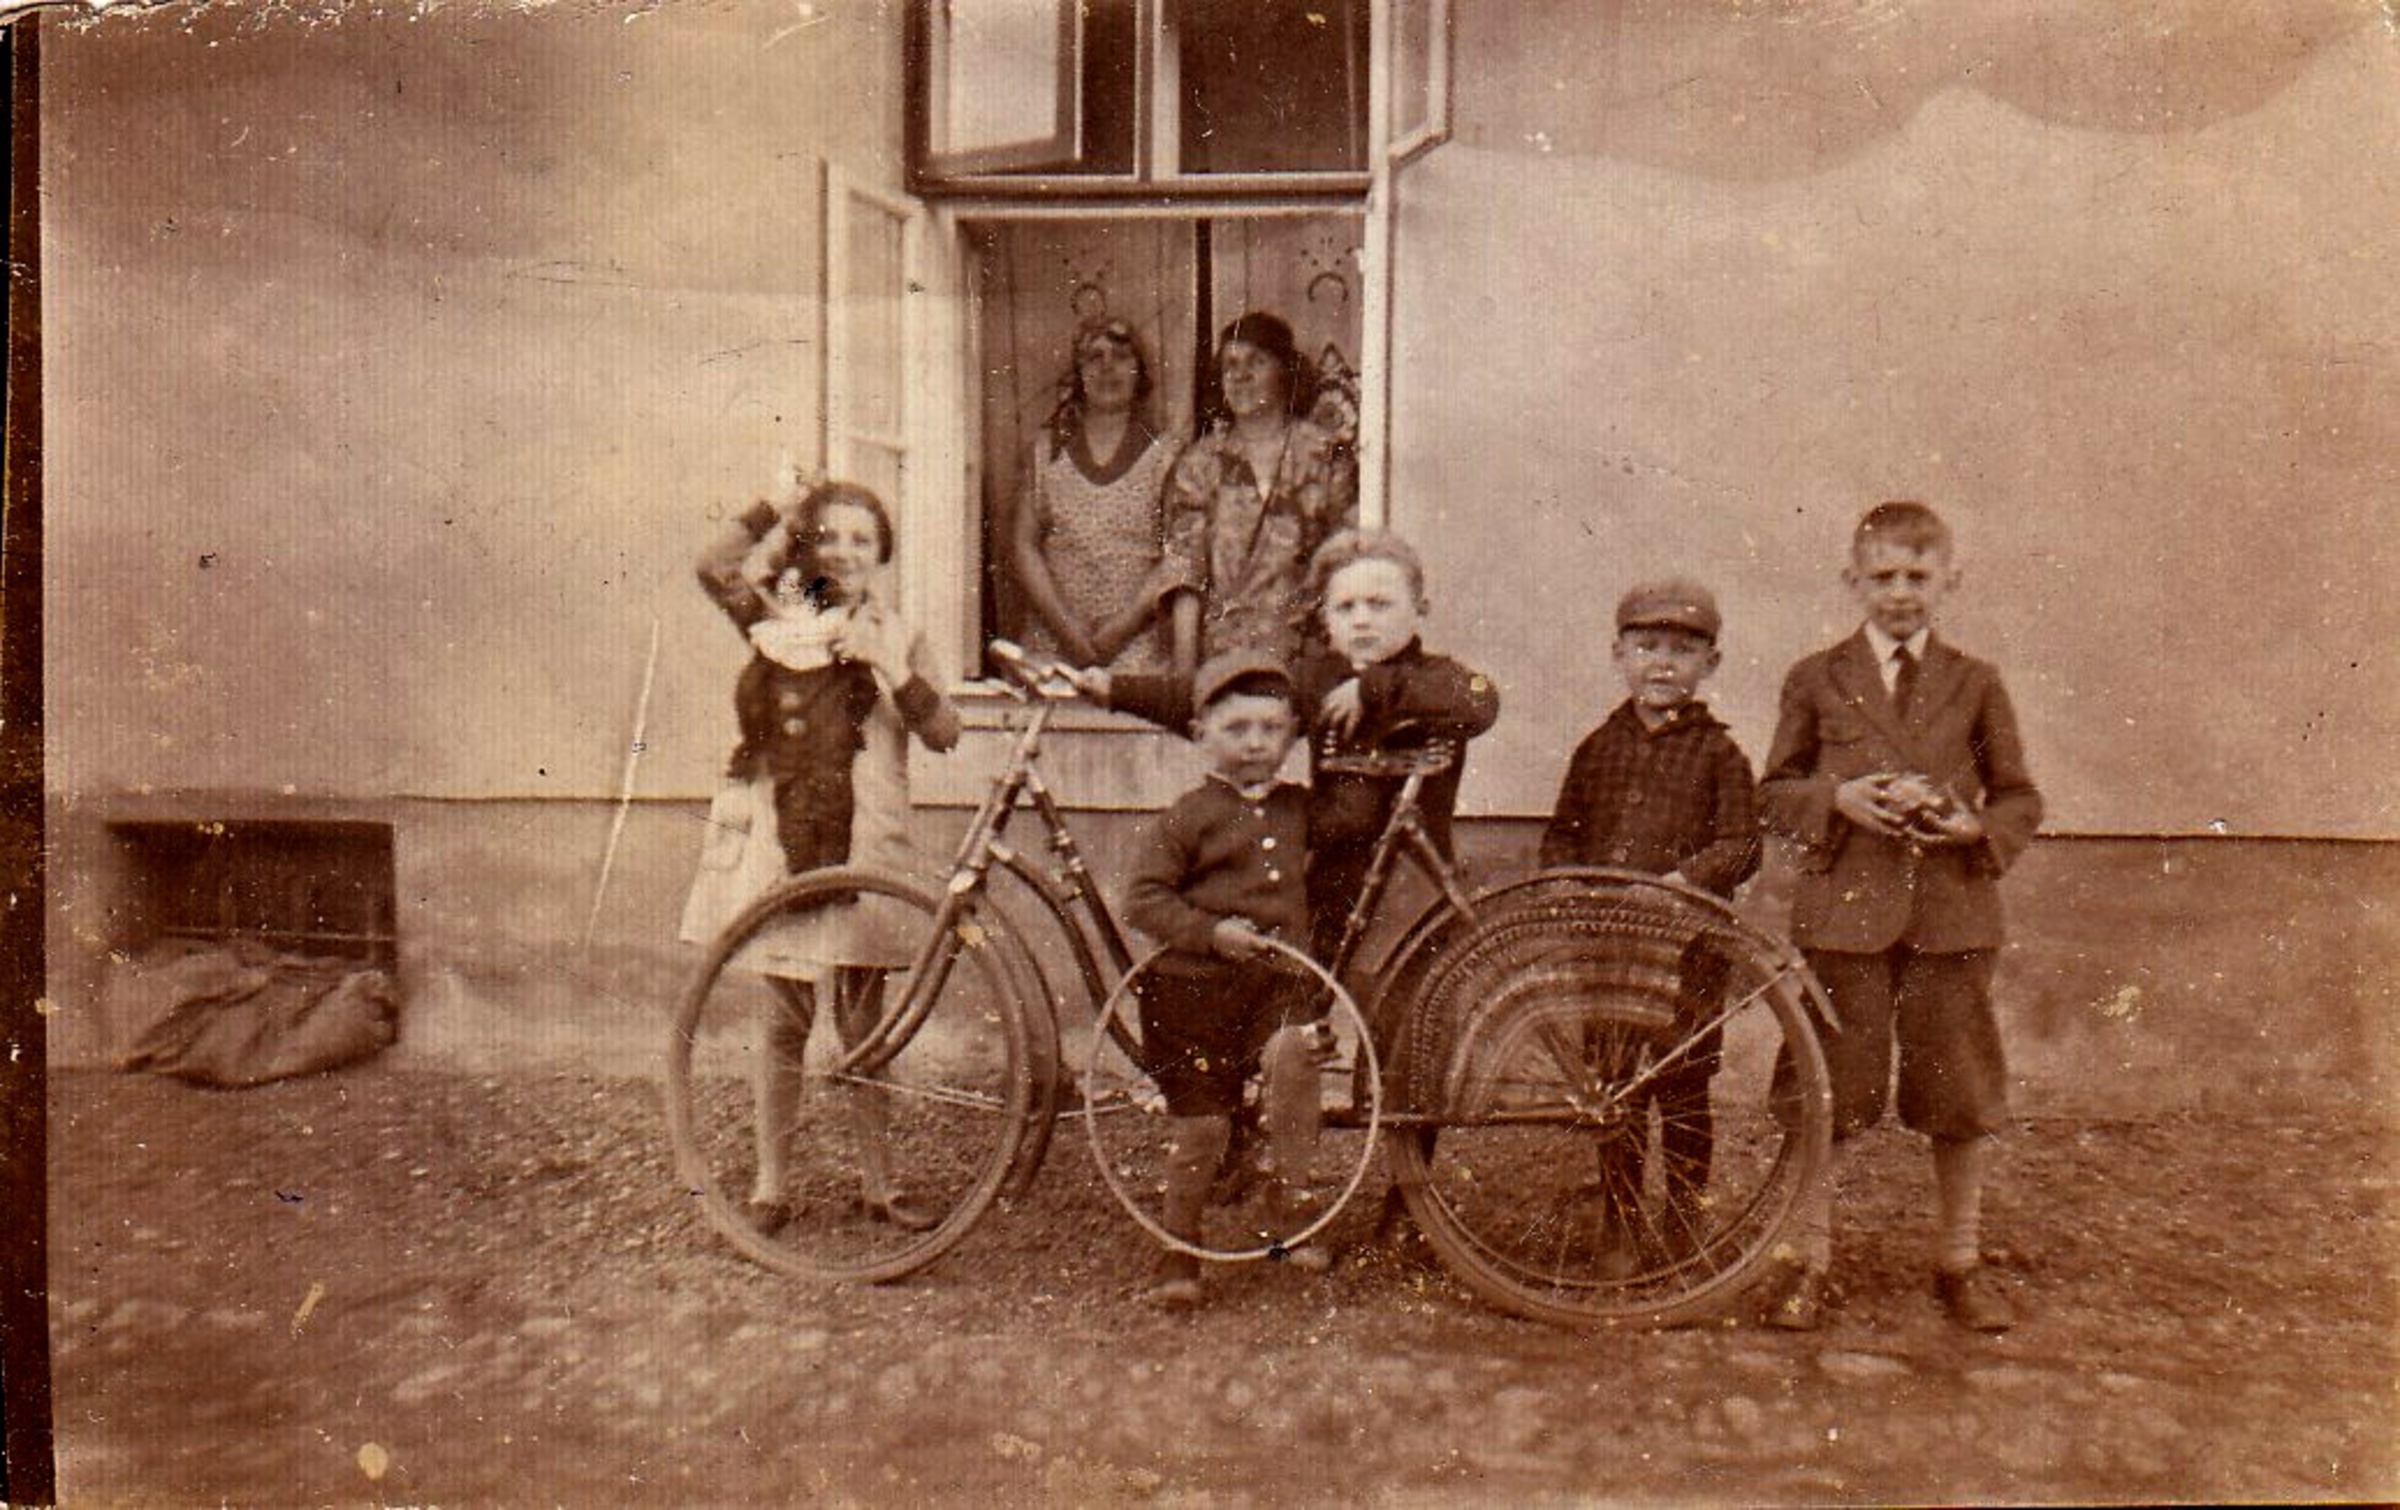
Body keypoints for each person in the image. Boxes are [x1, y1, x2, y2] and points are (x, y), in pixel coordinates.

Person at [1758, 501, 2043, 1332]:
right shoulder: (1817, 677)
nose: (1900, 593)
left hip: (1951, 916)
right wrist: (1838, 798)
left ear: (1950, 582)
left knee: (1959, 1093)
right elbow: (1774, 792)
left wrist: (1975, 828)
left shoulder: (1976, 682)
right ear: (1853, 582)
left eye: (1919, 576)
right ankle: (1806, 1259)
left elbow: (2019, 797)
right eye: (1883, 576)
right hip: (1843, 917)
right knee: (1827, 1089)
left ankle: (1959, 1262)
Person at [678, 481, 964, 1236]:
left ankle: (880, 1184)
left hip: (869, 846)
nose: (845, 552)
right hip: (792, 844)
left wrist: (892, 668)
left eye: (862, 540)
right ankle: (771, 1187)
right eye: (830, 536)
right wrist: (772, 506)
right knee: (784, 1017)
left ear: (883, 552)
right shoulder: (782, 614)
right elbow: (713, 566)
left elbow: (946, 732)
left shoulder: (902, 631)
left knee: (866, 1026)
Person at [1537, 579, 1761, 1277]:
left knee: (1684, 1087)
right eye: (1647, 647)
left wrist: (1685, 882)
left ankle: (1684, 1217)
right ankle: (1620, 1219)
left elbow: (1742, 844)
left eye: (1682, 650)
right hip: (1610, 952)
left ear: (1710, 664)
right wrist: (1565, 881)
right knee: (1615, 1092)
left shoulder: (1720, 755)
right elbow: (1562, 834)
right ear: (1619, 654)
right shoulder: (1597, 749)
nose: (1663, 663)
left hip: (1688, 952)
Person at [1120, 650, 1333, 1309]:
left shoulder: (1302, 808)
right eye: (1237, 729)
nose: (1255, 743)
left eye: (1271, 729)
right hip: (1191, 991)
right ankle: (1179, 1249)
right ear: (1202, 734)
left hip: (1274, 985)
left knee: (1297, 1055)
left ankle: (1289, 1205)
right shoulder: (1189, 816)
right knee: (1203, 1126)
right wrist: (1212, 932)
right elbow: (1143, 900)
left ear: (1292, 736)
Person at [1156, 311, 1358, 676]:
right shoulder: (1200, 463)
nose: (1240, 375)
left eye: (1256, 361)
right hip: (1224, 662)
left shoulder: (1326, 455)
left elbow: (1346, 564)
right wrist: (1185, 678)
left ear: (1284, 371)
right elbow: (1184, 574)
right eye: (1230, 365)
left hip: (1310, 661)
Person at [1008, 318, 1179, 672]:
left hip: (1136, 647)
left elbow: (1179, 555)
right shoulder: (1046, 451)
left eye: (1121, 356)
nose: (1107, 368)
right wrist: (1068, 632)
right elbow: (1024, 546)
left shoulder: (1166, 455)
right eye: (1094, 357)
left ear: (1140, 372)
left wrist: (1118, 632)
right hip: (1055, 644)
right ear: (1078, 374)